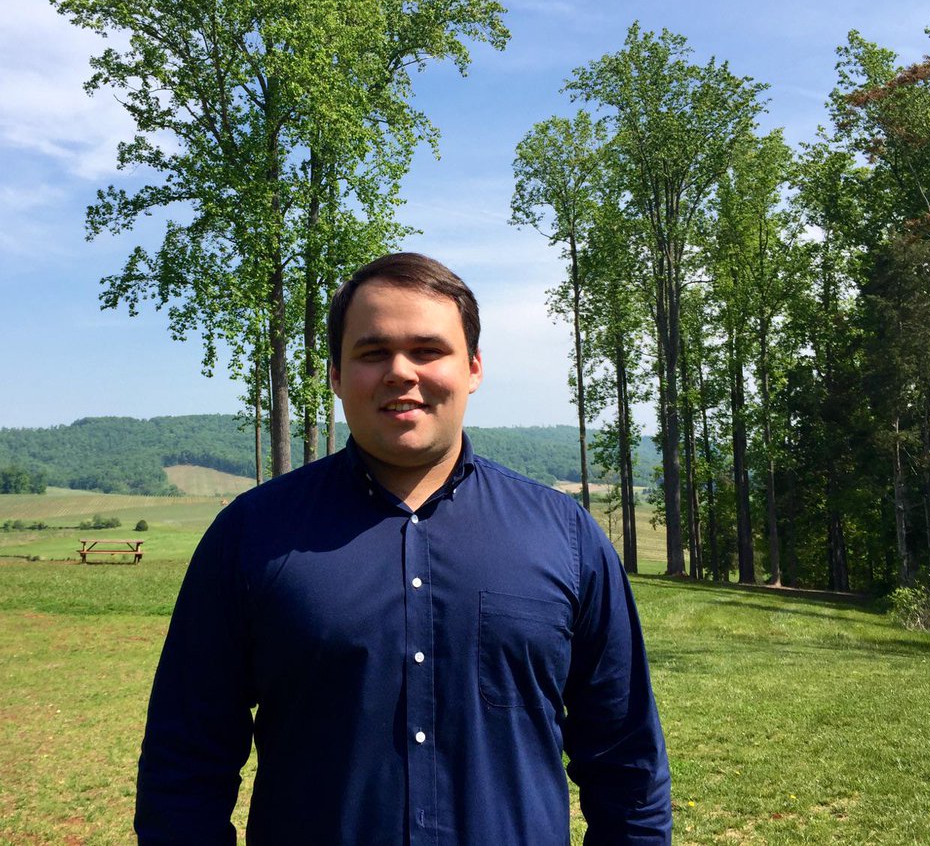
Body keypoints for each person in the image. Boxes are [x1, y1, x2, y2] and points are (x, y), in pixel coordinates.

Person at [135, 252, 672, 845]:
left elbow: (628, 765)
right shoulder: (251, 536)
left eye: (427, 350)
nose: (400, 372)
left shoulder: (564, 536)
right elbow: (184, 766)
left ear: (473, 367)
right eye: (372, 353)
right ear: (335, 375)